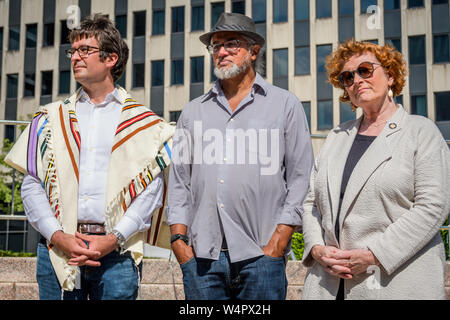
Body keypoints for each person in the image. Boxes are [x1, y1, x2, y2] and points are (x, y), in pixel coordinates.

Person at [5, 15, 174, 300]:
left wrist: (113, 238)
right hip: (57, 251)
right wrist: (59, 236)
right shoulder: (50, 118)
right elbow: (32, 184)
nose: (75, 57)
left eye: (85, 50)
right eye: (73, 51)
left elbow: (151, 188)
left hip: (117, 253)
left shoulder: (143, 123)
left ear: (111, 59)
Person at [166, 12, 314, 300]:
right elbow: (179, 181)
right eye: (215, 46)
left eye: (231, 43)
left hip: (261, 256)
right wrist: (179, 242)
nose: (221, 52)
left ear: (253, 50)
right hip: (201, 259)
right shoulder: (192, 111)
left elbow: (301, 177)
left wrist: (279, 241)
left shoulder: (285, 105)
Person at [301, 39, 450, 300]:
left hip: (396, 283)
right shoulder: (337, 136)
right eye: (348, 76)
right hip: (329, 284)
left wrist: (374, 255)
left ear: (390, 76)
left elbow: (432, 206)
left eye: (365, 70)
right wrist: (315, 248)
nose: (356, 80)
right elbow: (311, 202)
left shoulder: (420, 132)